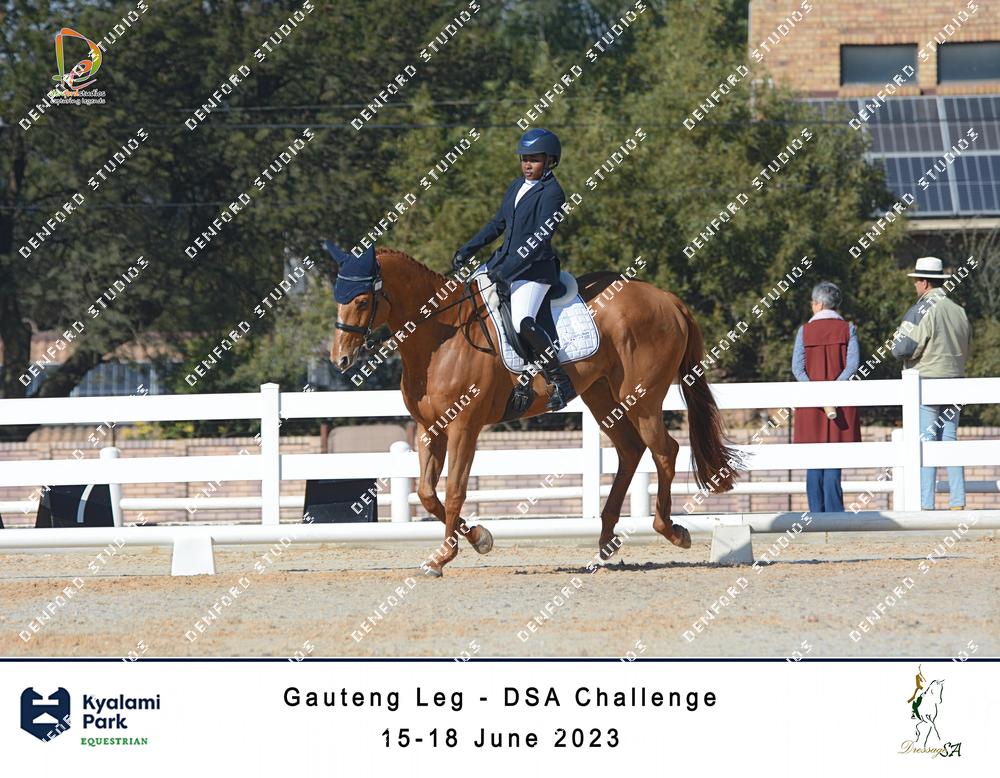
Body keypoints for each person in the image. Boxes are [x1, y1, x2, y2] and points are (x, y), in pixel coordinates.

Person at [451, 128, 576, 411]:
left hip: (534, 270)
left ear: (550, 161)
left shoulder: (553, 193)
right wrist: (468, 249)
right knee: (466, 302)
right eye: (524, 159)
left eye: (534, 159)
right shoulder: (516, 186)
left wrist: (507, 270)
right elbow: (498, 223)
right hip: (502, 263)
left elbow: (539, 240)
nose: (528, 165)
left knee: (522, 321)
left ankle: (560, 380)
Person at [891, 257, 971, 511]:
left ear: (924, 282)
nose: (915, 286)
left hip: (927, 383)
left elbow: (902, 347)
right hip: (955, 382)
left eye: (916, 281)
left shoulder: (922, 309)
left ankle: (925, 503)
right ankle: (957, 501)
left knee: (925, 442)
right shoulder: (958, 311)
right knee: (950, 438)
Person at [791, 281, 861, 513]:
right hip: (839, 403)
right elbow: (852, 366)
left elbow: (797, 369)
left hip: (812, 404)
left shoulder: (805, 331)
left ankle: (815, 516)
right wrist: (833, 392)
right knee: (834, 461)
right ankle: (835, 515)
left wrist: (817, 394)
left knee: (813, 462)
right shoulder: (848, 329)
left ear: (819, 304)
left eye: (813, 302)